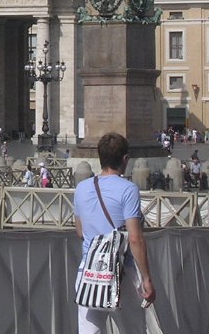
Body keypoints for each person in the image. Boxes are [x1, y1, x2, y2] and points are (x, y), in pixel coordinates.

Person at [73, 131, 155, 333]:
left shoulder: (81, 188)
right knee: (133, 329)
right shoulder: (128, 189)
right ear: (125, 159)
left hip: (89, 272)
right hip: (121, 272)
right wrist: (146, 278)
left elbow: (80, 232)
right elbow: (135, 238)